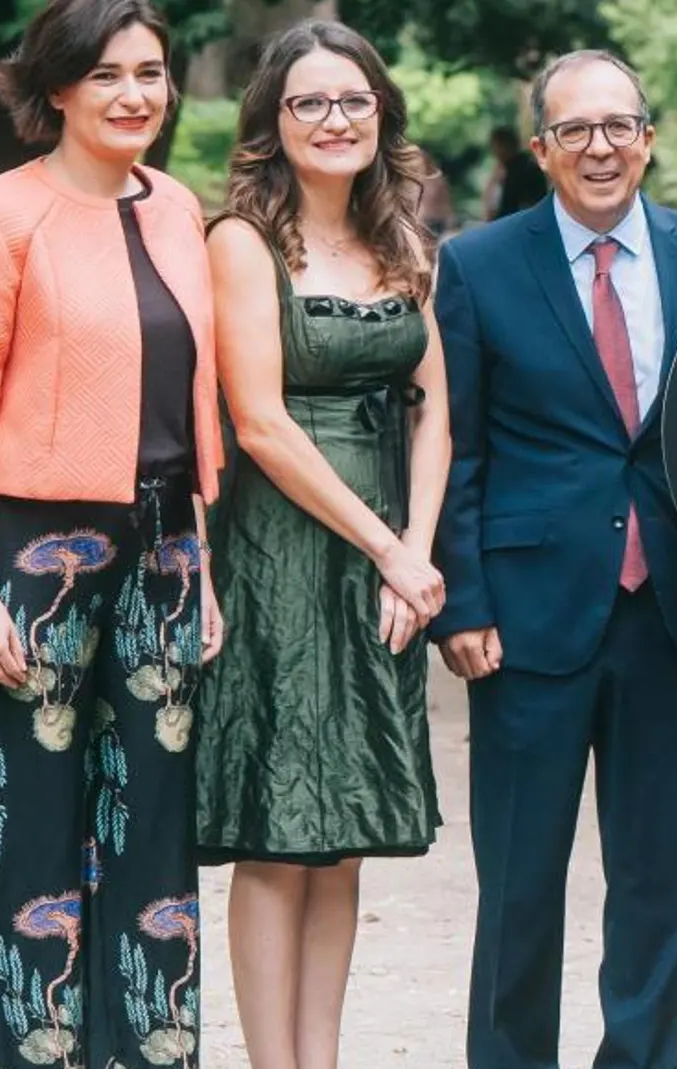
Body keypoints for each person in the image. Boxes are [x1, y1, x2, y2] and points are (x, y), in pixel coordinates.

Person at [429, 50, 677, 1069]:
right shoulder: (476, 263)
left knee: (654, 884)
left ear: (647, 136)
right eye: (575, 131)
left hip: (667, 611)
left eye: (618, 126)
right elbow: (455, 444)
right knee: (519, 882)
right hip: (522, 619)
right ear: (544, 149)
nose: (599, 147)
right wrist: (460, 601)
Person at [0, 1, 226, 1065]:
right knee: (27, 835)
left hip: (165, 542)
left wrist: (199, 565)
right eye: (107, 75)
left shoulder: (175, 208)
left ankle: (149, 1051)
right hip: (31, 550)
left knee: (151, 827)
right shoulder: (2, 215)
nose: (135, 96)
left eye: (150, 73)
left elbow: (186, 397)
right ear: (57, 87)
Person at [192, 19, 450, 1069]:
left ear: (379, 112)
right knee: (277, 827)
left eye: (352, 100)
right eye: (310, 102)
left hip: (387, 554)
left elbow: (436, 411)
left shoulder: (404, 240)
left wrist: (416, 557)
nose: (334, 119)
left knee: (342, 831)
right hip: (278, 545)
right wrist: (389, 549)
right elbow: (258, 420)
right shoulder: (242, 240)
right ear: (274, 120)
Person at [485, 125, 548, 221]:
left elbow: (508, 208)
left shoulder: (518, 170)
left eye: (496, 146)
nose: (494, 151)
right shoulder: (521, 165)